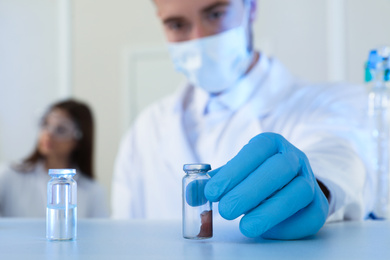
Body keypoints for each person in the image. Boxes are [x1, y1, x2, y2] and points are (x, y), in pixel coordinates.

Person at [112, 0, 372, 239]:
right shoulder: (144, 131)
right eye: (177, 25)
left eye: (215, 14)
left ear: (251, 7)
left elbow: (342, 156)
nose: (198, 38)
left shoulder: (331, 102)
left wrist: (319, 185)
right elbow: (124, 239)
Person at [0, 99, 109, 218]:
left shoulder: (93, 192)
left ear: (79, 140)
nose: (48, 133)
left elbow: (99, 234)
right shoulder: (8, 175)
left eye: (61, 129)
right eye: (46, 124)